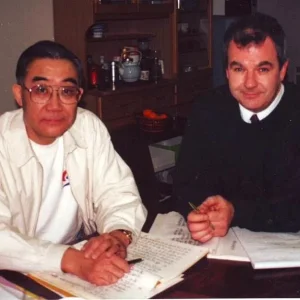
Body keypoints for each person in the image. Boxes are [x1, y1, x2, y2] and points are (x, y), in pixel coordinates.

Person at [0, 40, 147, 286]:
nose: (55, 105)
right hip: (16, 270)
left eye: (67, 91)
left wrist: (117, 234)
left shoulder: (87, 127)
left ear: (78, 96)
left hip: (77, 252)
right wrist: (72, 261)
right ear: (19, 95)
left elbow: (118, 192)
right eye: (41, 90)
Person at [173, 12, 300, 243]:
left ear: (283, 71)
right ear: (227, 72)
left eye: (263, 69)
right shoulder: (206, 109)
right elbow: (185, 185)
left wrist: (236, 212)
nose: (250, 83)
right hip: (221, 248)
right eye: (239, 69)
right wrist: (200, 212)